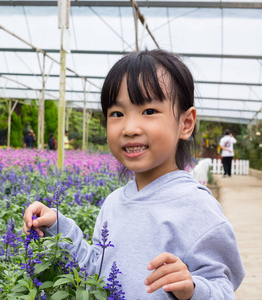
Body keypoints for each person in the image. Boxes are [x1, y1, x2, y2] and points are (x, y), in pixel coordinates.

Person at [23, 49, 245, 299]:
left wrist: (193, 288)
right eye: (117, 114)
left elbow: (223, 289)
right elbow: (97, 270)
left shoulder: (199, 208)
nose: (129, 128)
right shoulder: (114, 203)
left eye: (149, 111)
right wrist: (56, 225)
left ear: (186, 123)